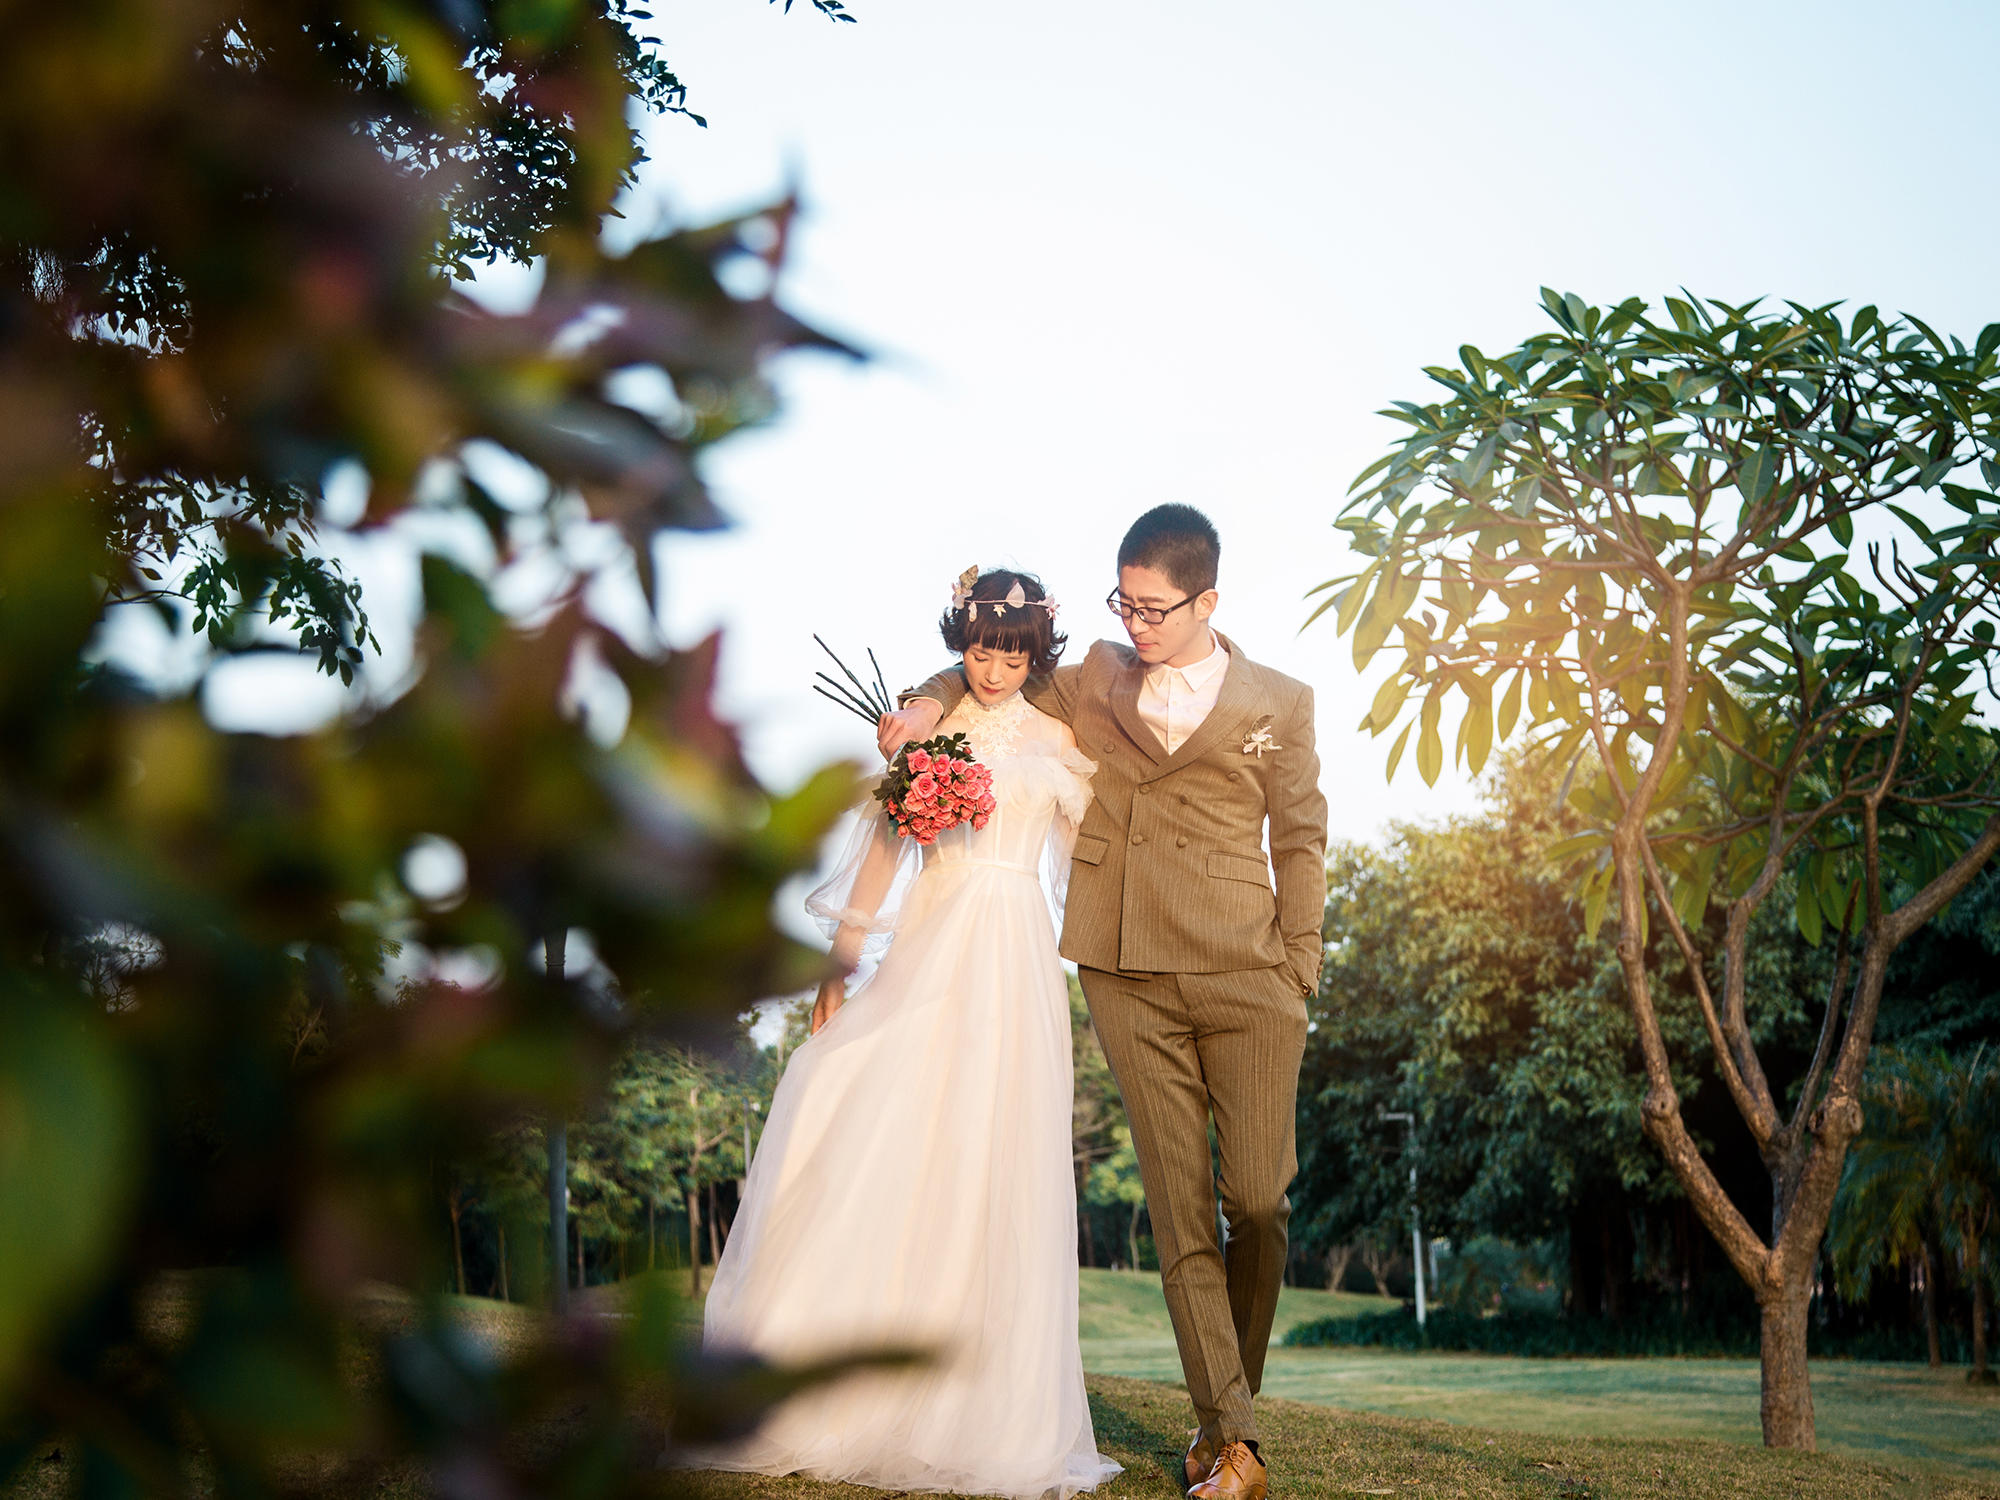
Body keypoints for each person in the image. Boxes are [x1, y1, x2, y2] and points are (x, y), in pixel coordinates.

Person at [883, 505, 1326, 1500]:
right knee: (1179, 1213)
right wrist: (918, 701)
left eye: (1154, 608)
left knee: (1257, 1201)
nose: (1134, 622)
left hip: (1248, 973)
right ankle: (1234, 1440)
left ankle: (1227, 1416)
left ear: (1206, 599)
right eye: (1121, 602)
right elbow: (988, 665)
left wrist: (1298, 963)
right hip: (1123, 967)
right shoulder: (1092, 673)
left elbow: (1299, 837)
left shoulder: (1279, 702)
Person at [689, 568, 1120, 1500]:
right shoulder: (930, 728)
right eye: (978, 648)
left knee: (990, 1152)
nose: (995, 666)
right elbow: (887, 848)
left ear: (1035, 652)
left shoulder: (1060, 741)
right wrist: (841, 964)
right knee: (861, 1106)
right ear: (958, 643)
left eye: (1011, 651)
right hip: (931, 943)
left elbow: (1095, 858)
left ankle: (978, 1407)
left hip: (1012, 959)